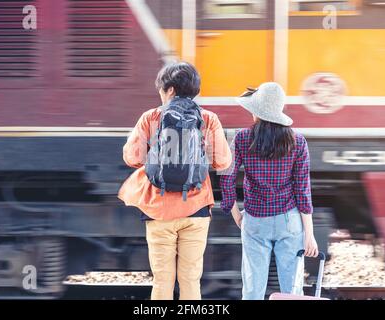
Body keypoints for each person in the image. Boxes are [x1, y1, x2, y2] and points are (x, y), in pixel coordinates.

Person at [118, 62, 232, 300]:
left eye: (161, 89)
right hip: (197, 209)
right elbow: (223, 162)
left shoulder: (151, 117)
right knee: (190, 280)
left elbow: (131, 157)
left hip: (158, 211)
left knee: (162, 281)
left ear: (169, 90)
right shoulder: (208, 119)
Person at [220, 82, 319, 300]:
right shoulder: (298, 141)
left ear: (257, 112)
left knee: (253, 289)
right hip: (289, 221)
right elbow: (303, 190)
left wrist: (236, 215)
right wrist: (309, 235)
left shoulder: (243, 138)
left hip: (255, 220)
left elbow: (227, 178)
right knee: (292, 290)